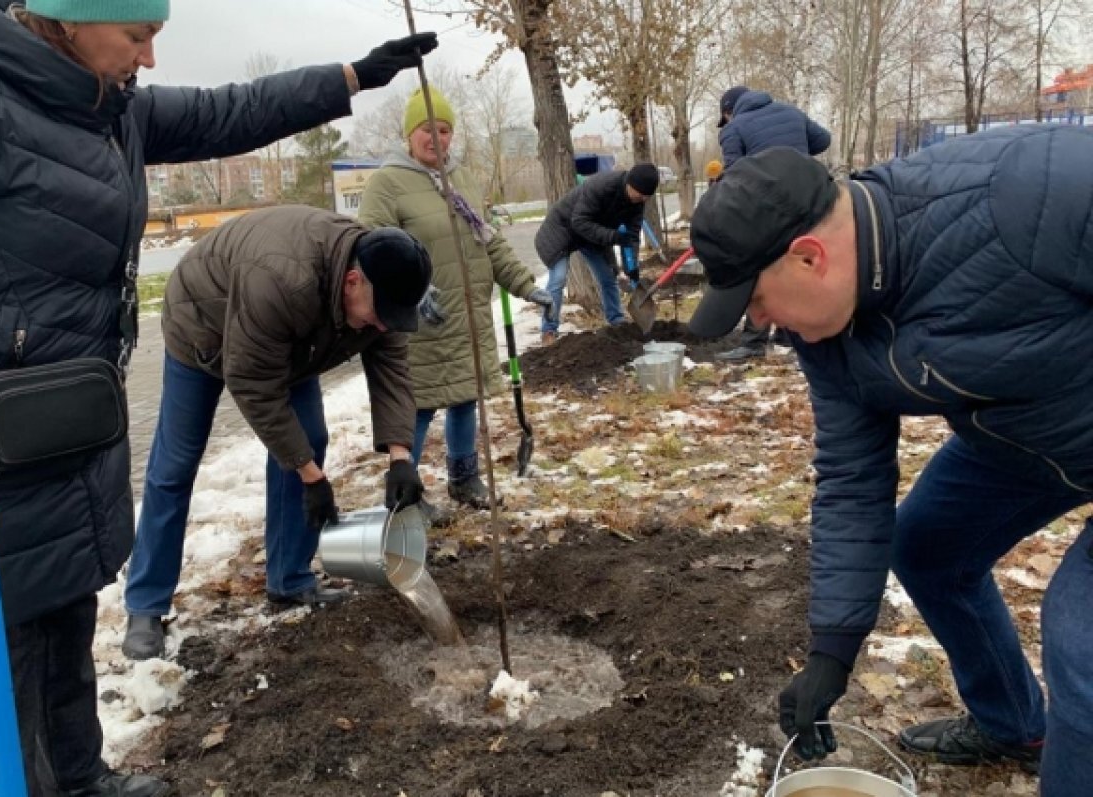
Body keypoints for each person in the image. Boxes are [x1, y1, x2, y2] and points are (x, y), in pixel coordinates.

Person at [0, 0, 436, 794]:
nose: (148, 59)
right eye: (138, 37)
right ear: (66, 18)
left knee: (66, 627)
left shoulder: (103, 109)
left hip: (60, 426)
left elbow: (231, 112)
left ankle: (84, 782)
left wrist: (351, 77)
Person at [686, 133, 1093, 796]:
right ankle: (1015, 723)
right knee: (928, 546)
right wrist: (831, 650)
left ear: (809, 256)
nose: (761, 324)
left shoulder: (1024, 193)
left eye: (757, 302)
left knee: (1081, 636)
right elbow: (852, 479)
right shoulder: (827, 335)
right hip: (1025, 436)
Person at [122, 208, 432, 659]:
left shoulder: (385, 283)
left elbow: (391, 370)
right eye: (380, 315)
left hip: (291, 338)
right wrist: (311, 476)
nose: (385, 325)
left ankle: (289, 579)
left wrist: (401, 457)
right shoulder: (283, 279)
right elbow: (253, 385)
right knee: (176, 464)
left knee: (311, 439)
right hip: (202, 326)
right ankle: (145, 604)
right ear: (352, 282)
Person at [357, 87, 554, 515]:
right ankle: (407, 493)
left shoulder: (461, 178)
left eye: (444, 130)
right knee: (418, 408)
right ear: (410, 133)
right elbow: (371, 249)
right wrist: (412, 289)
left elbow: (489, 241)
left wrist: (526, 285)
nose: (437, 138)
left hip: (467, 317)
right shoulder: (387, 183)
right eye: (427, 129)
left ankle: (464, 479)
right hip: (420, 323)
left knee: (467, 397)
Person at [713, 85, 831, 362]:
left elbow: (736, 175)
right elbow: (823, 140)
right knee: (798, 265)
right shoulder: (791, 112)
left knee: (760, 268)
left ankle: (754, 343)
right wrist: (795, 151)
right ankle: (790, 335)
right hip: (808, 199)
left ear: (729, 112)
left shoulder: (733, 129)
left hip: (766, 208)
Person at [533, 163, 659, 345]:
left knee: (608, 277)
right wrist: (613, 236)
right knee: (558, 279)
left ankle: (617, 322)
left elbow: (631, 237)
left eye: (646, 197)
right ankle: (549, 331)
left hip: (592, 235)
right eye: (640, 195)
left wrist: (631, 268)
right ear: (630, 184)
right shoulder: (602, 185)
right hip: (562, 230)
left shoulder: (637, 203)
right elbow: (579, 221)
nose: (643, 200)